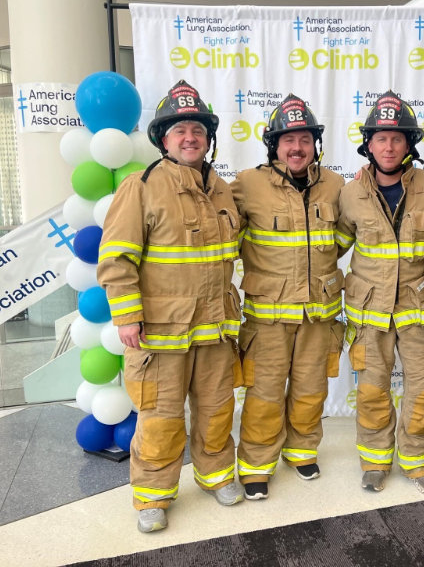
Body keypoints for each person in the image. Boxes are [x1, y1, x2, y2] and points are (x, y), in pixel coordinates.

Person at [97, 80, 244, 533]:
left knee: (217, 408)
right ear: (163, 139)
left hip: (216, 327)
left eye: (197, 129)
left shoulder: (223, 190)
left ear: (208, 138)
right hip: (160, 332)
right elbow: (117, 257)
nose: (189, 137)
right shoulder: (140, 188)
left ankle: (216, 476)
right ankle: (153, 496)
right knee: (159, 417)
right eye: (179, 129)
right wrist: (126, 315)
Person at [231, 94, 345, 501]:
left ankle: (301, 451)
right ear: (273, 145)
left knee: (311, 389)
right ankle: (256, 465)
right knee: (263, 393)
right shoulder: (247, 183)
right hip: (268, 318)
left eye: (304, 139)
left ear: (315, 144)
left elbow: (346, 238)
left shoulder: (335, 184)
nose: (296, 148)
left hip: (320, 314)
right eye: (287, 140)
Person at [336, 90, 424, 496]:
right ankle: (375, 461)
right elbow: (332, 245)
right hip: (369, 311)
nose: (388, 146)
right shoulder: (350, 193)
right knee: (371, 391)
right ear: (368, 144)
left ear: (409, 145)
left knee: (423, 391)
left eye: (397, 138)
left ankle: (418, 463)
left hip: (419, 308)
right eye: (380, 138)